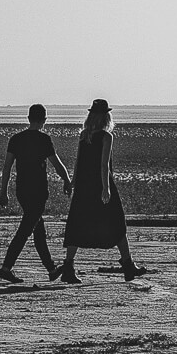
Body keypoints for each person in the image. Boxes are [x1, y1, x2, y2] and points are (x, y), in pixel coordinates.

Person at [57, 99, 146, 283]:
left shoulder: (84, 135)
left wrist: (73, 182)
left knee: (78, 224)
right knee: (117, 222)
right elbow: (104, 165)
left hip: (84, 185)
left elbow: (78, 161)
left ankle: (68, 267)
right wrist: (106, 188)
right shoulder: (106, 136)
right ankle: (128, 265)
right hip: (100, 184)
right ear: (106, 117)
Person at [0, 104, 70, 282]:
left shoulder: (16, 139)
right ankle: (6, 268)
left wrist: (4, 191)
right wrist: (67, 180)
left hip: (22, 191)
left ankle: (51, 269)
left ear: (28, 118)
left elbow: (7, 167)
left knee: (38, 230)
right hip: (38, 191)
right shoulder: (44, 139)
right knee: (25, 230)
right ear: (44, 120)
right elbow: (56, 164)